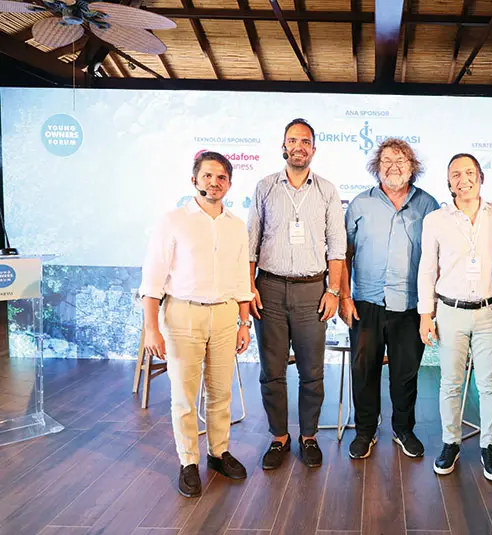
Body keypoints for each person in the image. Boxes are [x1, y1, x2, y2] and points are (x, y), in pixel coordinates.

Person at [140, 151, 253, 498]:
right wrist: (151, 327)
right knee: (184, 396)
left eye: (221, 177)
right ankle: (188, 461)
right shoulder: (173, 221)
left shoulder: (236, 225)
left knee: (220, 392)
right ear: (194, 180)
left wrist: (244, 322)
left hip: (225, 315)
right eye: (207, 176)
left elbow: (241, 278)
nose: (214, 183)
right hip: (183, 314)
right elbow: (153, 277)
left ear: (229, 184)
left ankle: (219, 453)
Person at [247, 118, 345, 469]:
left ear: (313, 150)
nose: (298, 147)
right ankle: (279, 437)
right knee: (271, 371)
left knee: (312, 372)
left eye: (305, 141)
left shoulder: (327, 191)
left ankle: (308, 437)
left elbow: (337, 246)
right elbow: (251, 244)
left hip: (312, 291)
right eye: (293, 140)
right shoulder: (265, 187)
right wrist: (249, 288)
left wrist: (333, 290)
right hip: (269, 289)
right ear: (283, 147)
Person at [340, 138, 439, 460]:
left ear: (412, 167)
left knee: (405, 374)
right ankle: (365, 431)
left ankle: (403, 429)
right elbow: (344, 254)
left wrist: (432, 306)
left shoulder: (428, 205)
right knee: (363, 372)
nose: (393, 167)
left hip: (410, 305)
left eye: (400, 161)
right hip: (366, 303)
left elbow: (438, 257)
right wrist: (344, 296)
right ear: (376, 167)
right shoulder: (360, 204)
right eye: (386, 161)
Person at [418, 153, 492, 481]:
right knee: (450, 383)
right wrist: (425, 314)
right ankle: (450, 443)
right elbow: (427, 269)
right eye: (455, 174)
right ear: (448, 182)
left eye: (469, 172)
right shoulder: (436, 220)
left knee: (489, 385)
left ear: (481, 177)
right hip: (450, 312)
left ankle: (489, 445)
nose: (463, 179)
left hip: (489, 312)